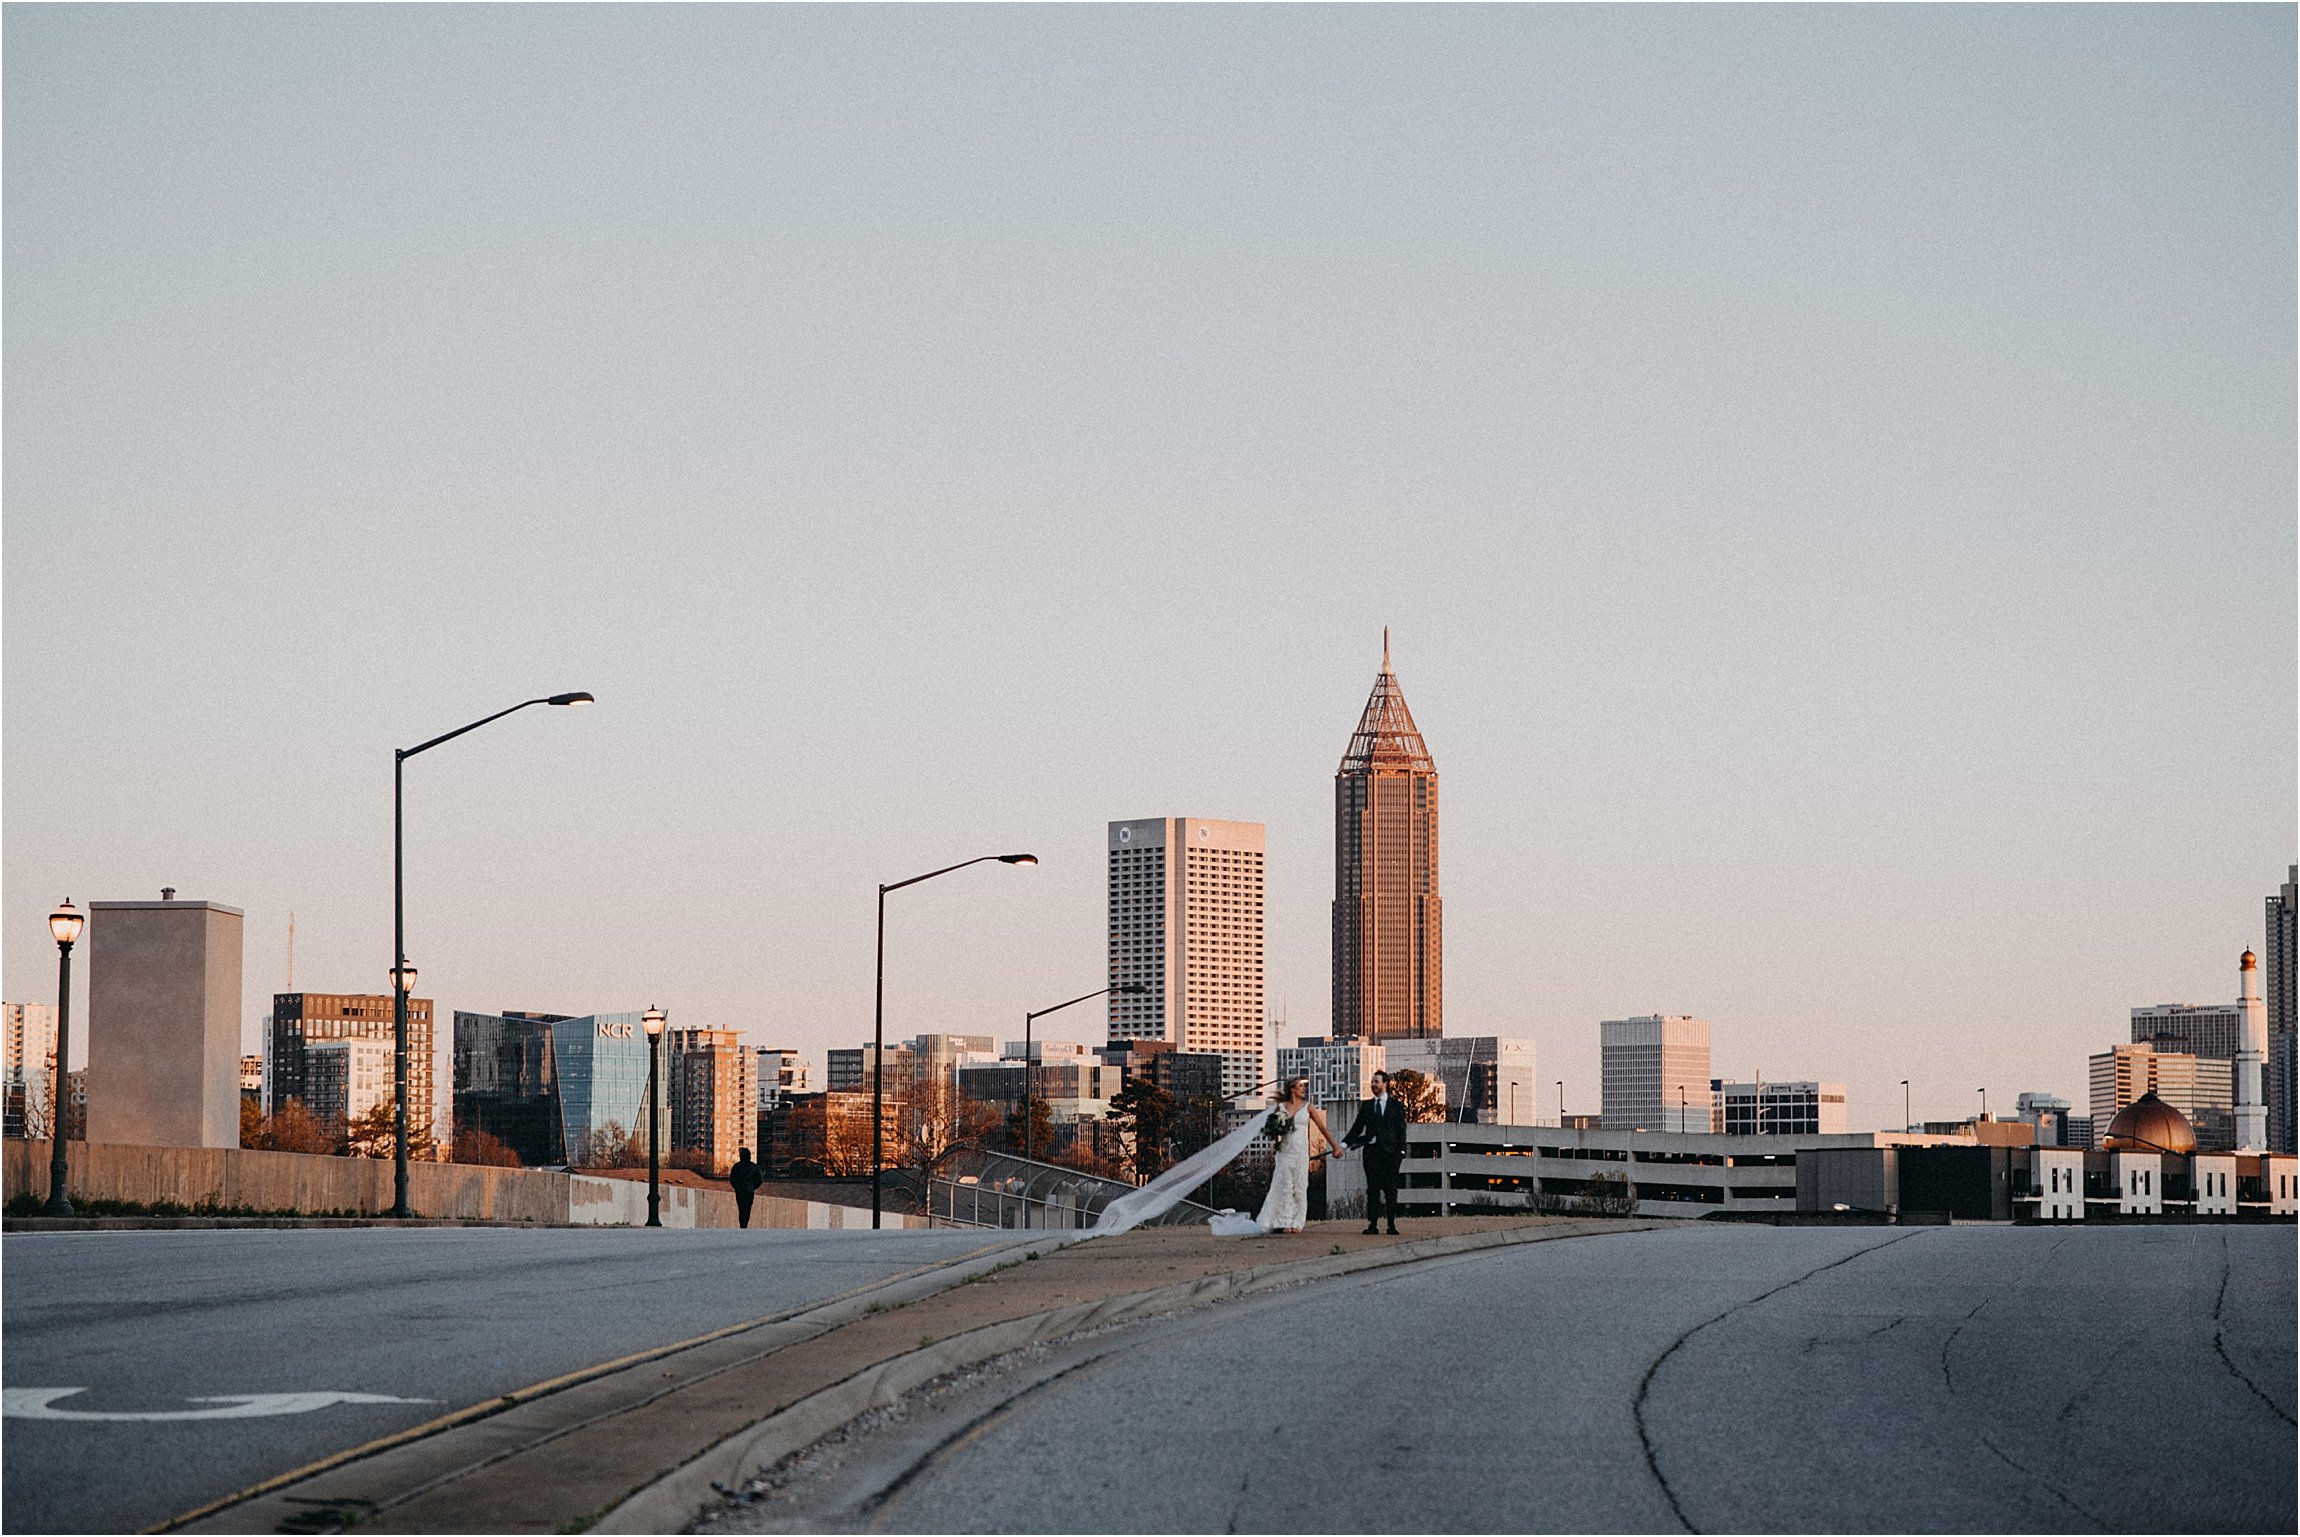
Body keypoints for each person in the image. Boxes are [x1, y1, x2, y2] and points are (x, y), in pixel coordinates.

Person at [1253, 1077, 1341, 1235]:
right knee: (1285, 1186)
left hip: (1300, 1152)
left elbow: (1322, 1128)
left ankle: (1298, 1223)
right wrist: (1276, 1138)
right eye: (1300, 1086)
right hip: (1285, 1151)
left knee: (1300, 1187)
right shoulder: (1281, 1107)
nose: (1303, 1089)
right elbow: (1274, 1130)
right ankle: (1285, 1221)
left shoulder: (1308, 1107)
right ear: (1292, 1089)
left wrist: (1335, 1146)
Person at [1343, 1070, 1408, 1235]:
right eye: (1372, 1082)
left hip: (1390, 1154)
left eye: (1376, 1081)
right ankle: (1373, 1224)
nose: (1373, 1085)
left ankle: (1391, 1224)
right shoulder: (1367, 1106)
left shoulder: (1396, 1106)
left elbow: (1401, 1131)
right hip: (1371, 1154)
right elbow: (1357, 1128)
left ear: (1385, 1084)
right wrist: (1344, 1143)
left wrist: (1401, 1152)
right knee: (1372, 1189)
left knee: (1390, 1190)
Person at [727, 1146, 763, 1229]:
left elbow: (732, 1179)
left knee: (741, 1208)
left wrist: (737, 1187)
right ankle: (744, 1224)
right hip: (748, 1191)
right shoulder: (754, 1167)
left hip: (740, 1191)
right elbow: (759, 1179)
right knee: (747, 1208)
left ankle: (743, 1224)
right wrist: (752, 1187)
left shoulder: (737, 1167)